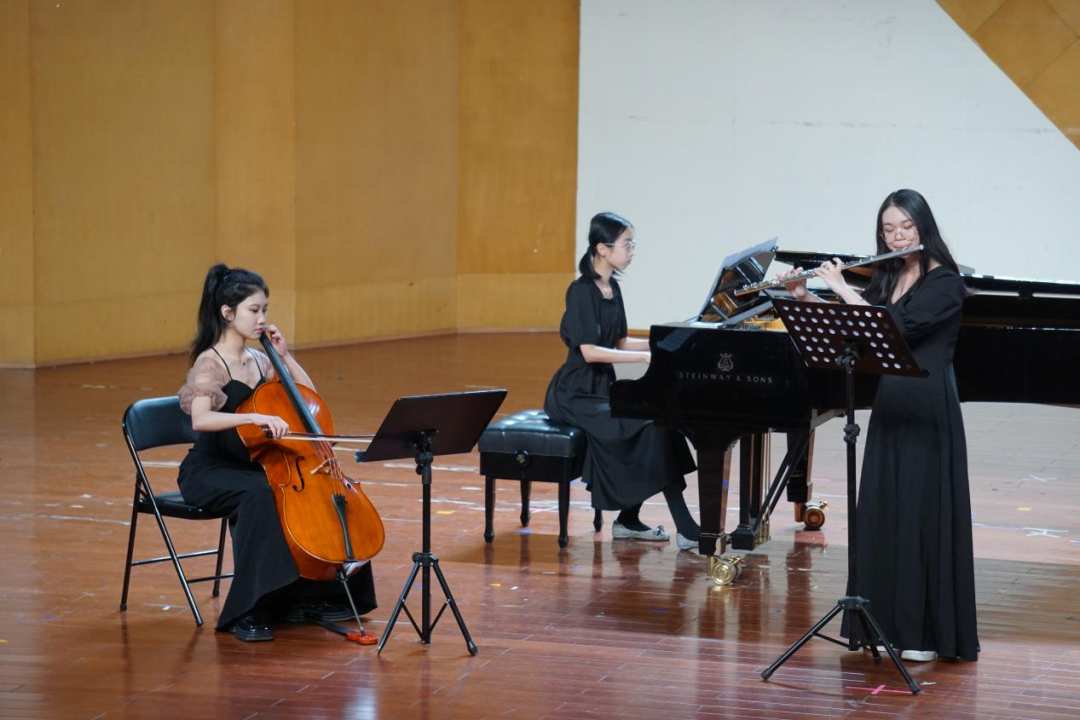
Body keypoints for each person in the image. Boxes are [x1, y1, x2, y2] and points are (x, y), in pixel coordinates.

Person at [783, 189, 978, 662]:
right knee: (886, 512)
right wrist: (807, 297)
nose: (898, 237)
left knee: (918, 514)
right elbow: (856, 332)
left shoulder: (946, 282)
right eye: (889, 230)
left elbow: (896, 327)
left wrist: (843, 288)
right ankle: (884, 625)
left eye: (906, 227)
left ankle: (923, 635)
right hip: (892, 404)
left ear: (923, 226)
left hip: (928, 408)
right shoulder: (889, 275)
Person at [176, 264, 377, 642]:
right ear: (227, 312)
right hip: (212, 469)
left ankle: (310, 595)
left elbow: (308, 399)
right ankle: (248, 610)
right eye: (253, 310)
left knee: (297, 495)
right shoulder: (211, 362)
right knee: (260, 495)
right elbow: (201, 419)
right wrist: (253, 416)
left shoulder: (261, 360)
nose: (262, 319)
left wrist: (285, 357)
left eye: (264, 309)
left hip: (258, 463)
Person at [544, 212, 701, 549]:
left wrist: (664, 343)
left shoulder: (611, 287)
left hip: (602, 387)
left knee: (661, 422)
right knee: (648, 427)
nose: (632, 251)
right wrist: (645, 358)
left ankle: (629, 520)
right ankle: (686, 529)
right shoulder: (580, 291)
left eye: (632, 244)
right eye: (627, 244)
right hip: (575, 394)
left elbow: (619, 341)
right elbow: (589, 352)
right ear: (602, 248)